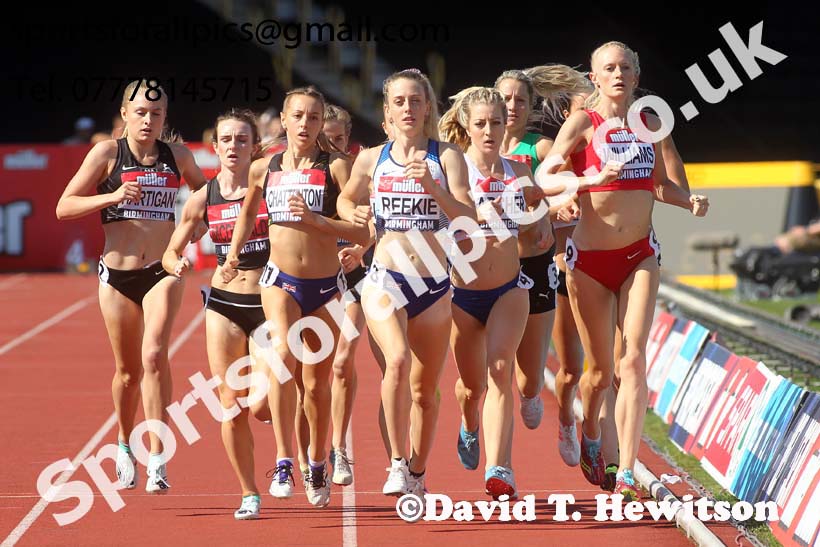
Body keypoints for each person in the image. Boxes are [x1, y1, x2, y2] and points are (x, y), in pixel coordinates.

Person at [542, 41, 709, 501]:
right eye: (609, 68)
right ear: (595, 78)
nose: (618, 74)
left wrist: (687, 200)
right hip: (589, 264)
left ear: (637, 75)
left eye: (625, 68)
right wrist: (577, 185)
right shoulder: (583, 123)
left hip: (639, 256)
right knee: (597, 373)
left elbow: (659, 184)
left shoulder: (650, 124)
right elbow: (547, 175)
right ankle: (590, 430)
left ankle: (630, 470)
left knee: (632, 360)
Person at [56, 79, 207, 493]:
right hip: (117, 276)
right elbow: (63, 206)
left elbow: (205, 192)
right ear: (125, 114)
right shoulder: (107, 153)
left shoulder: (177, 156)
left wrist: (199, 223)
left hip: (163, 270)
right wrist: (112, 197)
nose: (148, 120)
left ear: (165, 119)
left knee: (155, 355)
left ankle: (157, 455)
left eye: (156, 114)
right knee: (127, 373)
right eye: (140, 112)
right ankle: (125, 443)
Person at [222, 86, 365, 508]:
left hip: (324, 287)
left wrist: (320, 222)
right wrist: (232, 254)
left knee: (316, 385)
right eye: (298, 116)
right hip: (279, 279)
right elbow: (248, 212)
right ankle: (285, 458)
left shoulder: (338, 168)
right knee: (283, 358)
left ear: (322, 123)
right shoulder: (263, 168)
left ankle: (316, 459)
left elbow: (363, 228)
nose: (305, 124)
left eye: (314, 118)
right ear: (284, 120)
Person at [337, 68, 476, 497]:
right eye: (399, 102)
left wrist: (433, 187)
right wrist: (351, 214)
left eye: (416, 100)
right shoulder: (372, 158)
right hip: (385, 279)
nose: (408, 108)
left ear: (428, 107)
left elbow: (469, 220)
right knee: (395, 361)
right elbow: (347, 196)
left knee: (425, 392)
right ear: (387, 111)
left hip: (433, 285)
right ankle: (396, 462)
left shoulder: (447, 156)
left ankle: (417, 468)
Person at [440, 86, 552, 499]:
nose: (490, 131)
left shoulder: (519, 173)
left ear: (508, 126)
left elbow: (537, 234)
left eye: (497, 123)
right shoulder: (453, 172)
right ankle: (469, 422)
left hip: (509, 288)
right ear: (467, 127)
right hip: (462, 296)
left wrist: (539, 222)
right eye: (482, 124)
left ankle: (500, 468)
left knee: (501, 370)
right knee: (472, 387)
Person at [162, 108, 269, 519]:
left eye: (242, 139)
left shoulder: (269, 188)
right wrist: (176, 263)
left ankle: (291, 430)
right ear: (215, 147)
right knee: (231, 404)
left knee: (260, 404)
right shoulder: (204, 197)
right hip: (223, 304)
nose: (234, 147)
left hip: (268, 302)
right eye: (227, 140)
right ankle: (249, 493)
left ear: (254, 147)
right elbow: (173, 249)